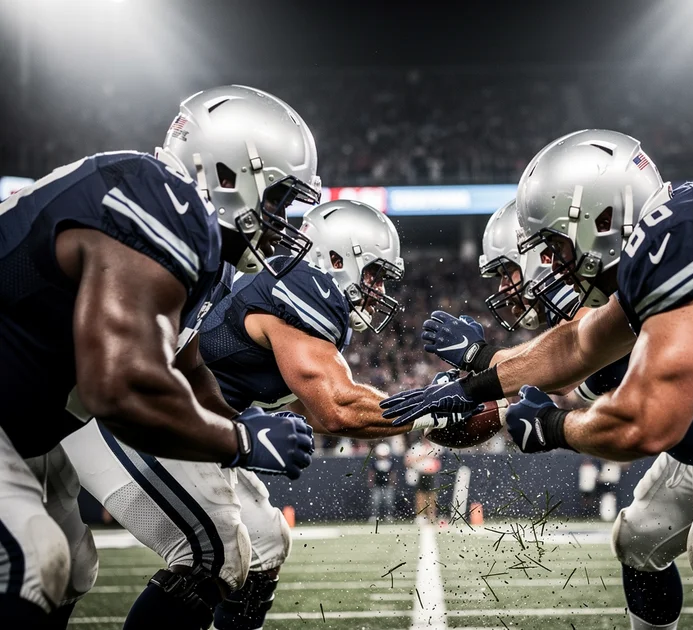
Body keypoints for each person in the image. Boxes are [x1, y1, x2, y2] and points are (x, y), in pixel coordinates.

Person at [406, 173, 693, 629]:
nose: (505, 287)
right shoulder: (612, 291)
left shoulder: (651, 267)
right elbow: (577, 362)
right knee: (637, 539)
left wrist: (505, 395)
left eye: (510, 269)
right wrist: (482, 381)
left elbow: (599, 386)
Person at [0, 84, 317, 628]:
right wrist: (241, 441)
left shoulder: (183, 230)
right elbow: (118, 389)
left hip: (26, 417)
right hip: (25, 413)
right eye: (278, 198)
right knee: (32, 562)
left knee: (72, 567)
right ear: (227, 174)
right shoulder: (160, 201)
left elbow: (187, 365)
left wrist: (238, 424)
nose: (282, 220)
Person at [67, 199, 449, 630]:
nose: (379, 291)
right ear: (338, 258)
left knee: (266, 544)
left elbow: (319, 414)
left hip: (194, 423)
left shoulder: (297, 304)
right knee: (211, 554)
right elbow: (339, 408)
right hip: (138, 412)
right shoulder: (298, 289)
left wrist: (430, 408)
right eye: (376, 275)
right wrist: (434, 406)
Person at [405, 436, 442, 523]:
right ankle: (421, 515)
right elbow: (408, 461)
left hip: (432, 473)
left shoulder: (435, 447)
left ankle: (431, 515)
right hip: (421, 473)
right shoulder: (417, 448)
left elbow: (439, 460)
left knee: (432, 496)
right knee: (420, 495)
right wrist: (422, 457)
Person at [368, 442, 397, 522]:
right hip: (377, 484)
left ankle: (389, 515)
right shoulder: (374, 462)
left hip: (387, 485)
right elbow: (372, 473)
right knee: (375, 501)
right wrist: (371, 482)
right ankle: (374, 515)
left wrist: (392, 483)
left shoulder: (390, 463)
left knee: (389, 501)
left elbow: (392, 473)